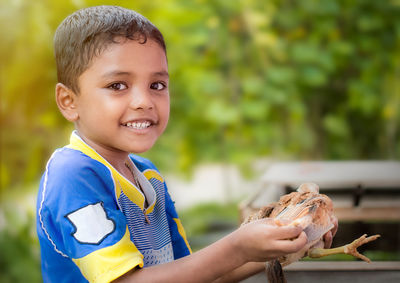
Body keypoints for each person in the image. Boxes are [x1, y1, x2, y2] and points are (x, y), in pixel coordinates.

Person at [36, 5, 336, 283]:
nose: (144, 101)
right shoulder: (71, 175)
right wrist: (237, 246)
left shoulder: (147, 175)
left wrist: (288, 241)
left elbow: (196, 274)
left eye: (157, 85)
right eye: (117, 85)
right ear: (68, 101)